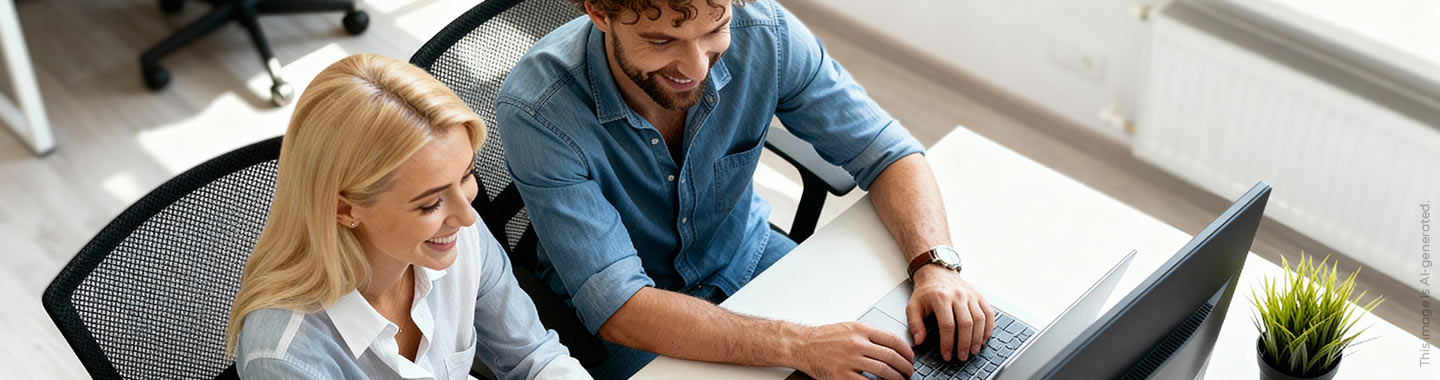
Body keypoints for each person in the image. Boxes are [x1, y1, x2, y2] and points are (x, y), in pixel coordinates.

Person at [496, 1, 995, 379]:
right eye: (662, 41)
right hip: (637, 312)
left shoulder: (767, 32)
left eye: (715, 30)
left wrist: (933, 264)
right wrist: (797, 345)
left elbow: (886, 151)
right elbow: (620, 306)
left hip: (744, 254)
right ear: (600, 12)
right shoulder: (538, 107)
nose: (695, 68)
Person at [225, 54, 590, 380]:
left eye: (465, 176)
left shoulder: (457, 236)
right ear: (345, 208)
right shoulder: (287, 359)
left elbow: (533, 357)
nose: (467, 218)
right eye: (430, 204)